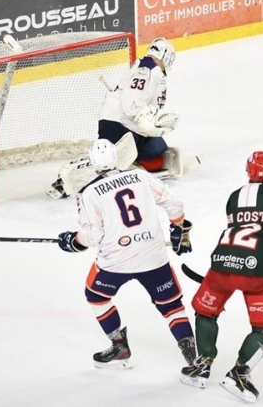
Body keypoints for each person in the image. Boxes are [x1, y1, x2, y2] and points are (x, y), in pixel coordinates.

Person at [179, 151, 263, 402]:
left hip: (221, 268)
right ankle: (240, 373)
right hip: (256, 275)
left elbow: (252, 229)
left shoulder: (234, 198)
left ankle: (202, 364)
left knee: (206, 312)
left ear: (248, 171)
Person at [57, 138, 196, 368]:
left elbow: (90, 238)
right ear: (117, 158)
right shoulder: (141, 176)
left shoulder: (88, 192)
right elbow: (175, 204)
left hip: (116, 262)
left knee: (96, 296)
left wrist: (72, 241)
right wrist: (177, 227)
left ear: (92, 162)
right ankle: (194, 361)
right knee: (172, 306)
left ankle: (120, 347)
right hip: (153, 256)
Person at [49, 37, 184, 198]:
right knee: (106, 161)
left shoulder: (152, 69)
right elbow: (131, 105)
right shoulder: (149, 69)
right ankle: (65, 179)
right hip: (118, 124)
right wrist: (149, 121)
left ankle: (127, 161)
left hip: (131, 125)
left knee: (156, 152)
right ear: (165, 55)